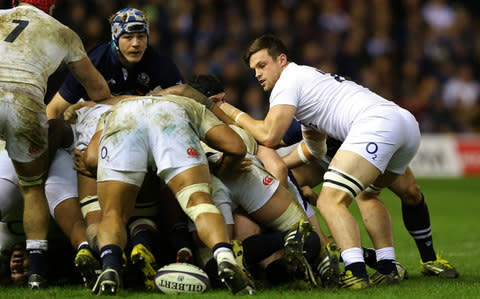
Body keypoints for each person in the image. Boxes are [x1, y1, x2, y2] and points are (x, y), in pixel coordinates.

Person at [220, 34, 422, 289]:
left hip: (376, 123)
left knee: (330, 200)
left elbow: (270, 135)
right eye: (253, 70)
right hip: (404, 123)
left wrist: (233, 113)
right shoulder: (309, 84)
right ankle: (387, 267)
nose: (258, 74)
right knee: (370, 194)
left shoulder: (288, 81)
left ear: (282, 60)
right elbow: (316, 150)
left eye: (262, 65)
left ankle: (356, 272)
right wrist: (275, 164)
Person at [83, 94, 254, 295]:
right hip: (171, 117)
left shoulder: (115, 109)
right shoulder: (186, 102)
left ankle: (110, 267)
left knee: (113, 213)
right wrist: (222, 169)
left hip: (124, 120)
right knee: (200, 202)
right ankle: (224, 257)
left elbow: (92, 158)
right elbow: (236, 146)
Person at [0, 0, 111, 289]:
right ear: (50, 8)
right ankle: (36, 273)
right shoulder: (62, 31)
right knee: (32, 188)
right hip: (26, 103)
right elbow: (98, 89)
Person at [281, 119, 459, 279]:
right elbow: (274, 139)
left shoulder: (347, 99)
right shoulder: (303, 110)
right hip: (326, 154)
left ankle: (428, 260)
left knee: (410, 192)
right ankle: (365, 258)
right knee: (286, 185)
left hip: (365, 145)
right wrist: (292, 180)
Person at [46, 7, 184, 119]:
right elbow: (55, 109)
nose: (136, 43)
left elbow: (183, 101)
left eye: (141, 37)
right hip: (94, 125)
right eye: (128, 38)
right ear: (115, 40)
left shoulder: (160, 63)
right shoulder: (94, 62)